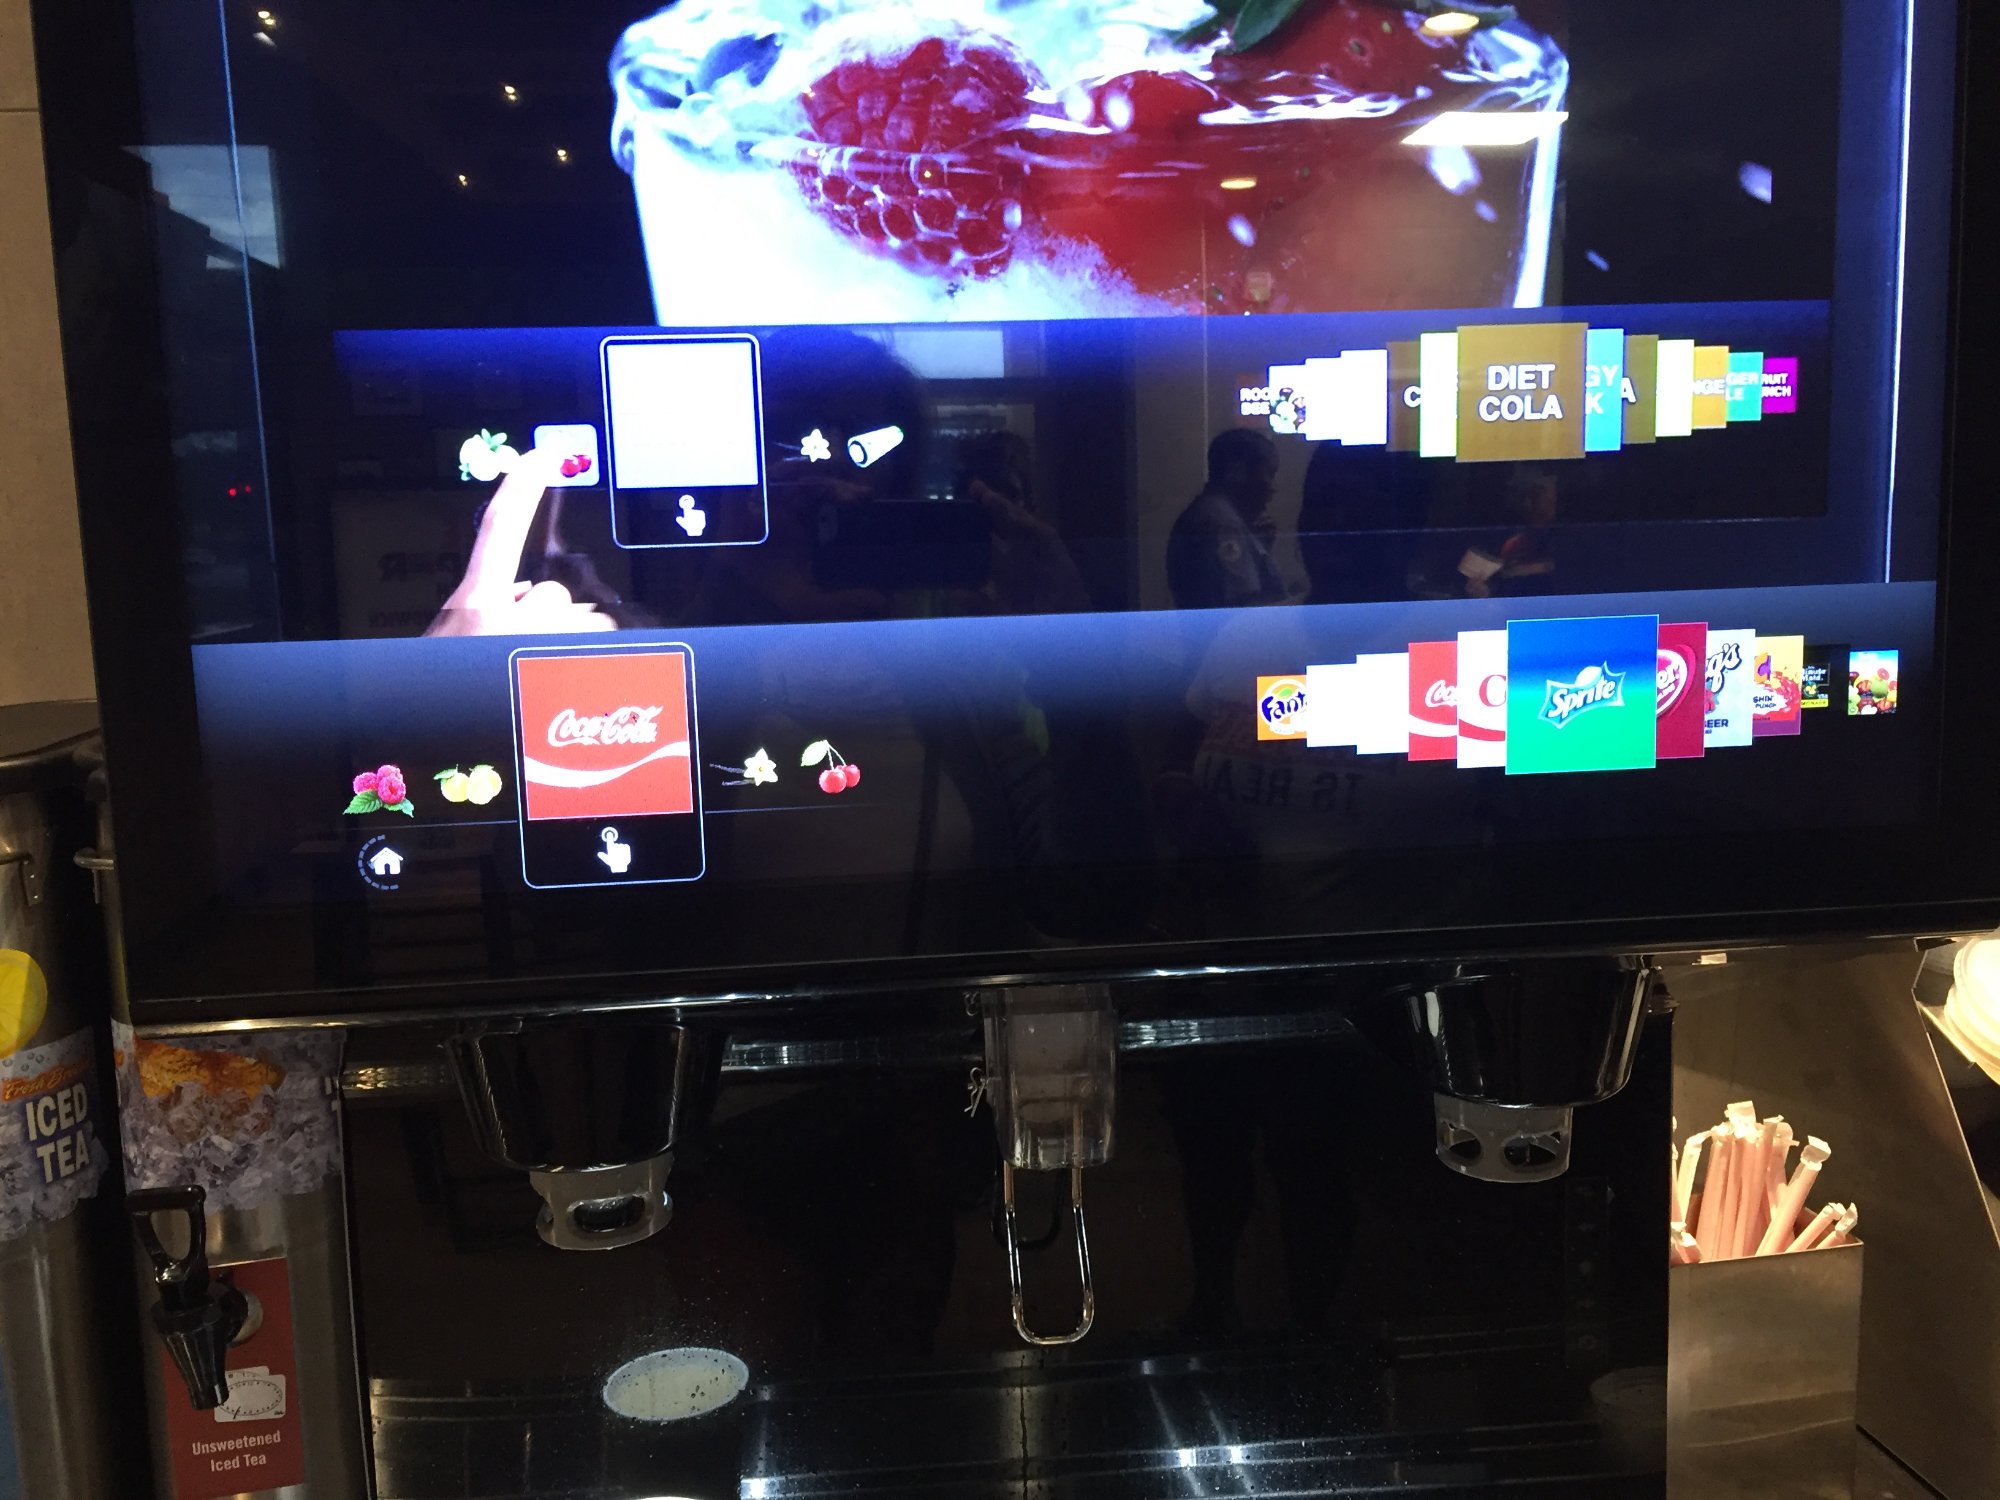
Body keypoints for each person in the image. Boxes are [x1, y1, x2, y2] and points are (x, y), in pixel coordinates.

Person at [1165, 428, 1286, 612]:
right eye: (1268, 474)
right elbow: (1243, 609)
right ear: (1236, 471)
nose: (1273, 486)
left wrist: (1257, 549)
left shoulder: (1207, 514)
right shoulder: (1223, 524)